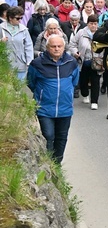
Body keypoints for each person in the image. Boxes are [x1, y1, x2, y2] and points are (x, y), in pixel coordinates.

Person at [27, 35, 79, 163]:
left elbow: (74, 81)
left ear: (64, 47)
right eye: (53, 46)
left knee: (62, 137)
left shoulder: (71, 63)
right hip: (44, 108)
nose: (56, 49)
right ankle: (48, 163)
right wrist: (42, 93)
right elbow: (31, 82)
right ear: (47, 47)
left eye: (59, 46)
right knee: (48, 136)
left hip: (65, 108)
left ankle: (57, 164)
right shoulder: (37, 64)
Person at [69, 14, 102, 109]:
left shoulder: (100, 33)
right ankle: (85, 94)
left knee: (96, 81)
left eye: (95, 23)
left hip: (97, 61)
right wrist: (75, 52)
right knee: (83, 80)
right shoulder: (81, 33)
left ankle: (94, 101)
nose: (93, 26)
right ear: (87, 24)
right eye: (91, 23)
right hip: (83, 60)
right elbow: (72, 44)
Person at [1, 6, 34, 81]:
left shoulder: (24, 29)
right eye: (17, 18)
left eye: (21, 18)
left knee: (19, 88)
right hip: (5, 64)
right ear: (10, 18)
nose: (20, 20)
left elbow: (28, 46)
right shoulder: (1, 28)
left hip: (21, 64)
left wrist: (29, 61)